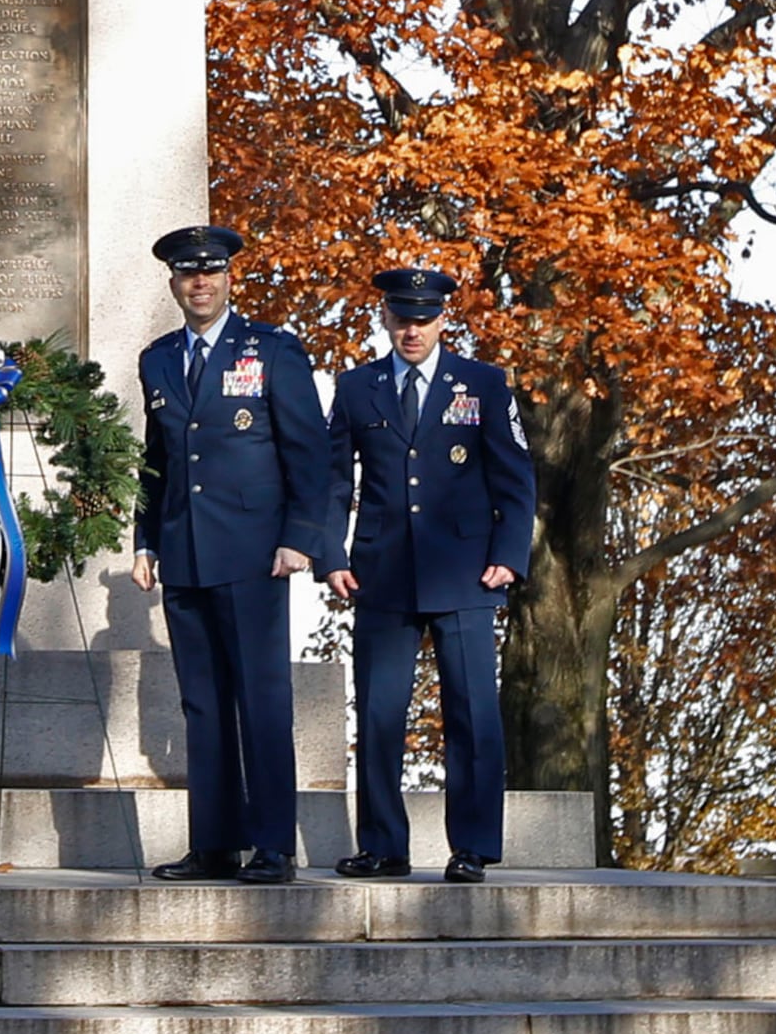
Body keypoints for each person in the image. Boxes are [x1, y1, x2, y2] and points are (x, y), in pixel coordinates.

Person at [132, 225, 332, 884]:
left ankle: (272, 843)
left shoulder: (272, 349)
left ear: (228, 279)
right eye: (189, 275)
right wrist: (145, 540)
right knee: (204, 702)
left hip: (255, 552)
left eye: (211, 272)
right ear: (173, 284)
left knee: (262, 697)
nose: (200, 283)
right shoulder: (158, 358)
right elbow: (156, 460)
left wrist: (302, 535)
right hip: (185, 552)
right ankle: (214, 842)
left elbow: (310, 452)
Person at [324, 266, 536, 883]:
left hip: (466, 570)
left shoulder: (484, 384)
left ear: (444, 318)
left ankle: (471, 846)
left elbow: (516, 479)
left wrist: (509, 553)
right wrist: (331, 555)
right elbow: (337, 481)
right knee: (380, 714)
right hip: (381, 573)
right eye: (401, 317)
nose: (412, 329)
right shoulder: (357, 388)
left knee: (472, 714)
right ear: (385, 317)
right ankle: (384, 846)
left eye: (424, 318)